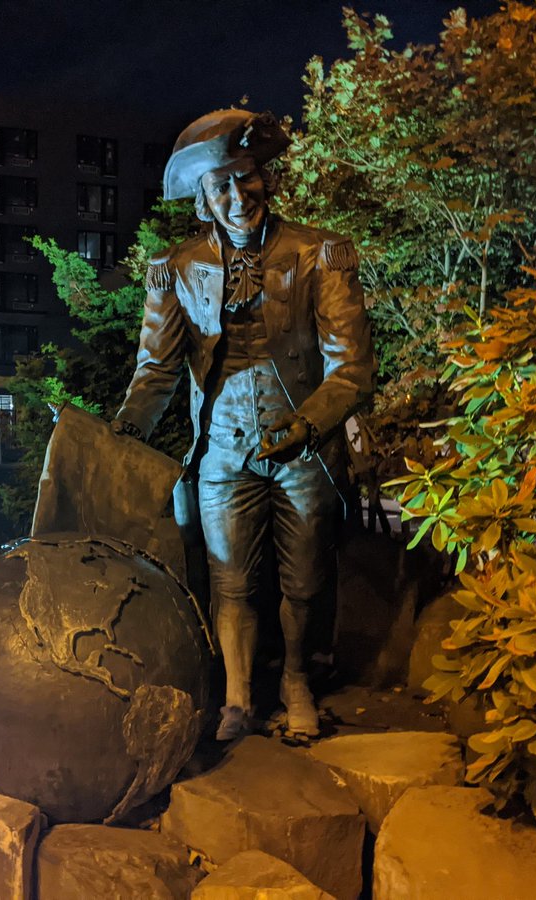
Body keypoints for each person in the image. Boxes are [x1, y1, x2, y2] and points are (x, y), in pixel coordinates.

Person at [112, 109, 375, 739]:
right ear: (203, 200)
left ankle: (296, 682)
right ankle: (236, 699)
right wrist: (122, 431)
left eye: (247, 178)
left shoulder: (322, 254)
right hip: (221, 448)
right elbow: (156, 372)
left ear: (266, 179)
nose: (238, 196)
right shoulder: (174, 268)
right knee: (229, 578)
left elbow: (352, 369)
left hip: (304, 446)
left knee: (304, 580)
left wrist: (310, 425)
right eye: (221, 186)